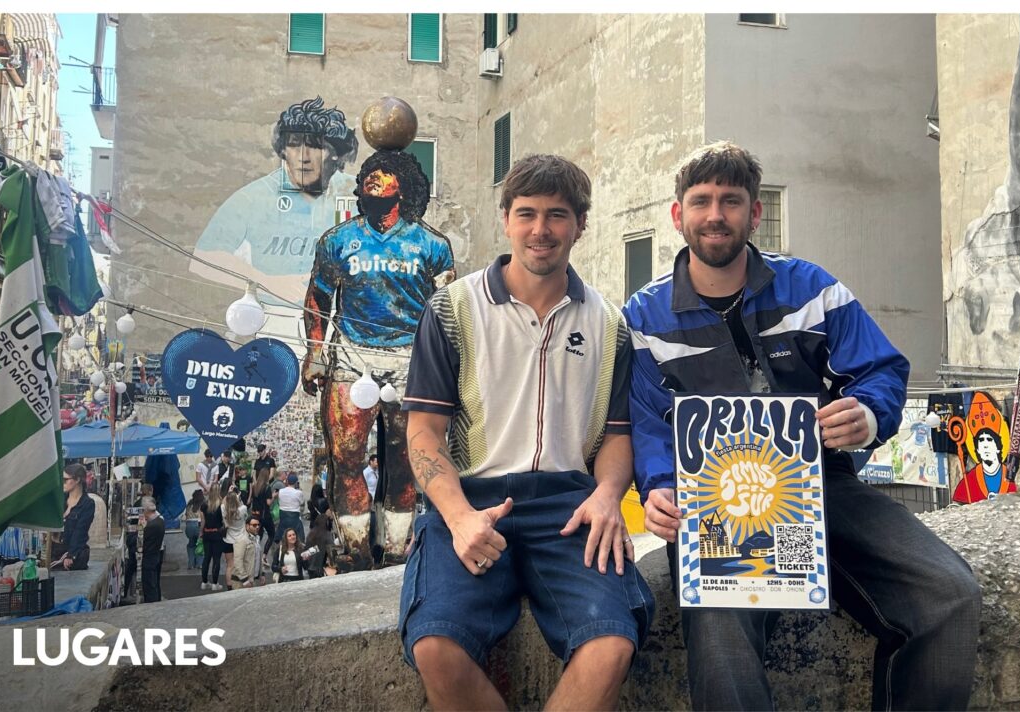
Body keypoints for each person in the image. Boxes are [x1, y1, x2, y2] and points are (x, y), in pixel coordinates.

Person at [623, 140, 982, 711]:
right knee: (718, 621)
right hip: (710, 501)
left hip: (821, 484)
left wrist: (866, 414)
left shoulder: (813, 288)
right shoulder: (642, 317)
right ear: (678, 215)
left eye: (731, 201)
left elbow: (880, 370)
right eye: (701, 201)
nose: (715, 215)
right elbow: (645, 420)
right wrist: (660, 484)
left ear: (755, 213)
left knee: (949, 592)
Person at [400, 154, 654, 710]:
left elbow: (617, 434)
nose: (541, 230)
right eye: (527, 213)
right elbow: (423, 433)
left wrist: (609, 495)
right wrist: (459, 516)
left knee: (611, 641)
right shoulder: (451, 309)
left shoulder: (611, 324)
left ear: (580, 225)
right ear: (506, 219)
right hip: (472, 500)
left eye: (558, 215)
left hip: (569, 506)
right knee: (437, 645)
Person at [301, 147, 456, 569]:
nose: (374, 177)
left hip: (411, 362)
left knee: (407, 461)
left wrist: (447, 368)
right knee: (347, 456)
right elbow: (317, 300)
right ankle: (354, 550)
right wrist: (316, 352)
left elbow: (445, 312)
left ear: (404, 185)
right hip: (351, 357)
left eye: (385, 172)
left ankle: (394, 551)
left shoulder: (432, 245)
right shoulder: (338, 241)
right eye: (369, 171)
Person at [191, 95, 359, 307]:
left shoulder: (358, 195)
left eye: (315, 146)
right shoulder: (255, 197)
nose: (303, 156)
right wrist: (266, 281)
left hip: (342, 322)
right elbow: (204, 258)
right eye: (294, 145)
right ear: (283, 151)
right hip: (276, 317)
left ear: (335, 153)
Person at [51, 463, 94, 570]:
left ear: (77, 480)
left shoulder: (87, 503)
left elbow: (81, 531)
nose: (63, 483)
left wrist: (71, 554)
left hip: (74, 553)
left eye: (66, 479)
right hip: (54, 551)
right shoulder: (61, 499)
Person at [139, 496, 165, 603]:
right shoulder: (160, 521)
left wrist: (142, 528)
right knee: (154, 583)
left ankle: (152, 604)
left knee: (150, 585)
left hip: (150, 557)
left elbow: (139, 541)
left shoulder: (151, 526)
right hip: (156, 555)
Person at [199, 487, 226, 591]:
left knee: (206, 558)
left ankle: (204, 582)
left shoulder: (204, 505)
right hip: (217, 534)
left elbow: (203, 522)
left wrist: (201, 532)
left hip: (207, 533)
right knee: (216, 559)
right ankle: (215, 583)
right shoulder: (220, 505)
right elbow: (224, 521)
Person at [221, 489, 248, 589]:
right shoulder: (243, 509)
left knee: (230, 565)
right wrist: (237, 496)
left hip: (228, 540)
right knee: (241, 563)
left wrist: (228, 492)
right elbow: (242, 505)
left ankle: (229, 587)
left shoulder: (224, 509)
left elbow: (223, 502)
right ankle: (240, 584)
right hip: (240, 540)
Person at [250, 467, 277, 560]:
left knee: (258, 534)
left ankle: (254, 552)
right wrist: (273, 496)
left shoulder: (254, 486)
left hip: (255, 514)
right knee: (271, 534)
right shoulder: (267, 487)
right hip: (265, 515)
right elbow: (268, 502)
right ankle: (264, 555)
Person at [231, 516, 264, 589]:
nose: (257, 527)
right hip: (240, 582)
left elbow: (257, 558)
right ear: (247, 526)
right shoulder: (241, 539)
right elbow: (238, 561)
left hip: (251, 580)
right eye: (254, 525)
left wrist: (261, 574)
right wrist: (245, 580)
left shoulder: (256, 538)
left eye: (258, 525)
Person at [276, 473, 306, 544]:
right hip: (294, 519)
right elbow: (302, 503)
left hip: (283, 518)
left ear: (287, 481)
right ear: (296, 483)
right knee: (300, 538)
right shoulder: (298, 492)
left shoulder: (281, 491)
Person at [183, 489, 204, 570]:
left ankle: (190, 563)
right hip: (198, 525)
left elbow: (186, 514)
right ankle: (199, 564)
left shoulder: (189, 504)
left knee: (191, 544)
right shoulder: (202, 505)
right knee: (200, 544)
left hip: (189, 526)